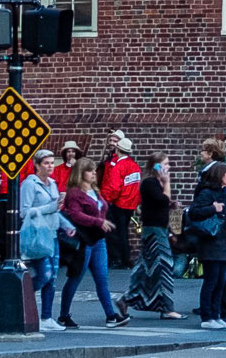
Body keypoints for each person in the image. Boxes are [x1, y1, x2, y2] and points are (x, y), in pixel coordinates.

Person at [59, 160, 123, 328]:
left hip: (98, 240)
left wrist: (101, 221)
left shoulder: (95, 191)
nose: (94, 173)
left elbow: (102, 210)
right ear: (81, 173)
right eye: (90, 171)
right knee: (75, 278)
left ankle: (111, 315)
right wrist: (97, 221)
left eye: (94, 170)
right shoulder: (75, 193)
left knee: (102, 279)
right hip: (83, 240)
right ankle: (64, 315)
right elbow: (75, 214)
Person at [125, 153, 181, 320]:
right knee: (164, 266)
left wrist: (171, 205)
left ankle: (125, 300)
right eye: (165, 164)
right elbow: (162, 200)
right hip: (154, 230)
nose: (168, 167)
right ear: (156, 166)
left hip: (159, 228)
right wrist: (167, 183)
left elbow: (162, 203)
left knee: (145, 268)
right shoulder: (150, 183)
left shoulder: (156, 184)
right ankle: (167, 308)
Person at [185, 161, 226, 329]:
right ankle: (207, 317)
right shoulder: (207, 193)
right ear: (220, 176)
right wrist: (213, 209)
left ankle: (216, 314)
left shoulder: (224, 193)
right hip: (211, 243)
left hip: (223, 243)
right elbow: (193, 212)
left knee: (221, 281)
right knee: (211, 281)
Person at [20, 150, 66, 325]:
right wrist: (51, 207)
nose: (50, 166)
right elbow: (25, 212)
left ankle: (46, 317)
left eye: (52, 163)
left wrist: (67, 226)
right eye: (46, 163)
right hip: (38, 236)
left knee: (53, 278)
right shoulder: (30, 184)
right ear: (37, 165)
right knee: (45, 274)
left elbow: (55, 210)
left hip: (52, 234)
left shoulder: (53, 184)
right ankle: (23, 297)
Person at [99, 132, 142, 269]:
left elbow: (114, 188)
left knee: (115, 233)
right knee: (123, 233)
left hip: (118, 204)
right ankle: (125, 259)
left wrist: (106, 200)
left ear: (118, 149)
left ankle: (117, 259)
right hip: (130, 204)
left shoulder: (118, 167)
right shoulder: (134, 166)